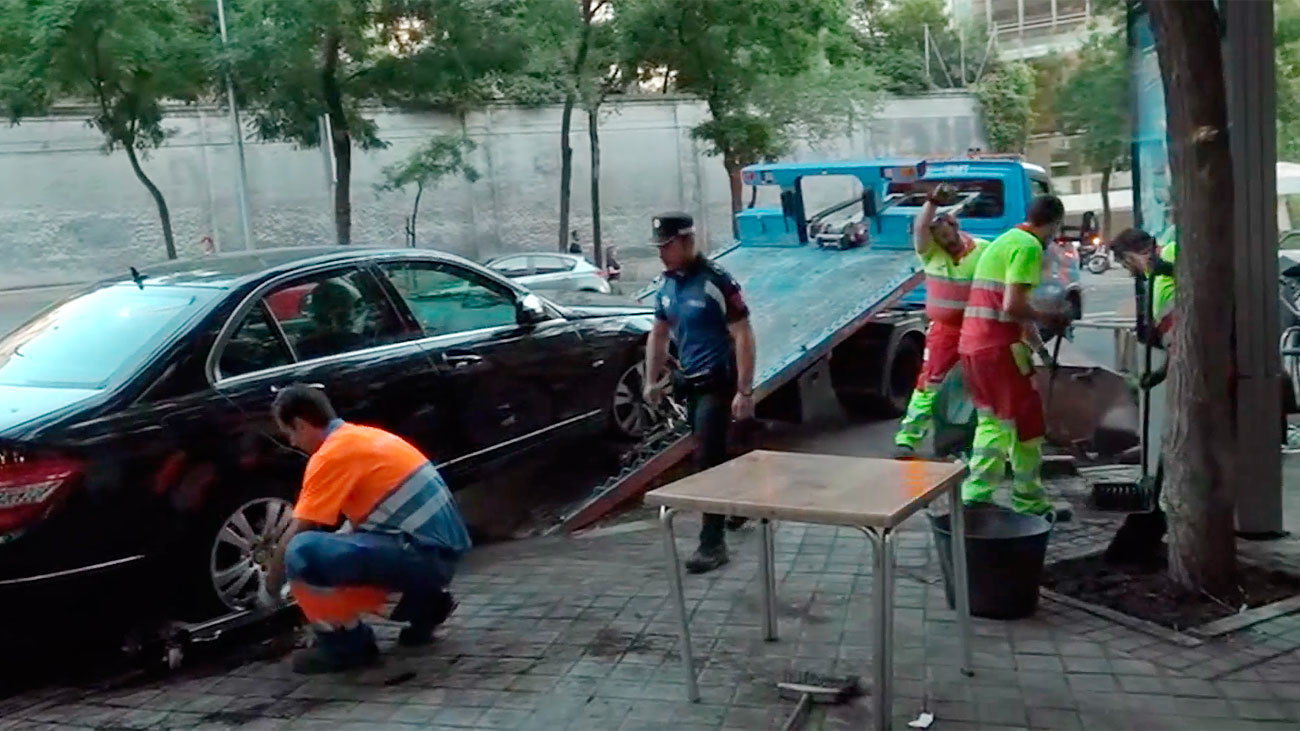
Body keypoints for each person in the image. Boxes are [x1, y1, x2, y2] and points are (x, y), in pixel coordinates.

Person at [260, 385, 471, 674]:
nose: (293, 443)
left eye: (290, 434)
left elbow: (298, 533)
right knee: (334, 555)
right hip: (438, 554)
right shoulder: (365, 436)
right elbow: (362, 525)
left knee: (303, 553)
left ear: (300, 423)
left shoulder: (330, 456)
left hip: (421, 556)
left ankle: (346, 647)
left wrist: (270, 590)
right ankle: (424, 606)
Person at [644, 212, 757, 574]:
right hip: (690, 382)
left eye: (668, 246)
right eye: (659, 247)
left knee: (706, 460)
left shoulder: (716, 282)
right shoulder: (667, 286)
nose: (662, 253)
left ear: (687, 242)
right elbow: (659, 333)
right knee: (715, 452)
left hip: (718, 382)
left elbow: (743, 334)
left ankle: (713, 544)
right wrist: (652, 379)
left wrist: (745, 389)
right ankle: (738, 509)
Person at [957, 195, 1071, 515]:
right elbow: (1014, 306)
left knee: (1011, 420)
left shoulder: (1005, 241)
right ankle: (993, 499)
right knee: (1011, 423)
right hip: (999, 350)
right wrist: (1050, 317)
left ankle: (1001, 497)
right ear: (1054, 224)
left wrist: (1040, 351)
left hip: (978, 347)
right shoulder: (1029, 247)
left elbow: (1013, 313)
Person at [893, 183, 990, 459]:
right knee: (930, 382)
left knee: (981, 383)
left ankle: (972, 440)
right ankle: (908, 438)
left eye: (948, 235)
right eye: (939, 237)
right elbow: (920, 228)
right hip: (945, 330)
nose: (946, 242)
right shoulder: (930, 252)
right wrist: (932, 203)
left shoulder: (984, 250)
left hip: (978, 327)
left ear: (956, 227)